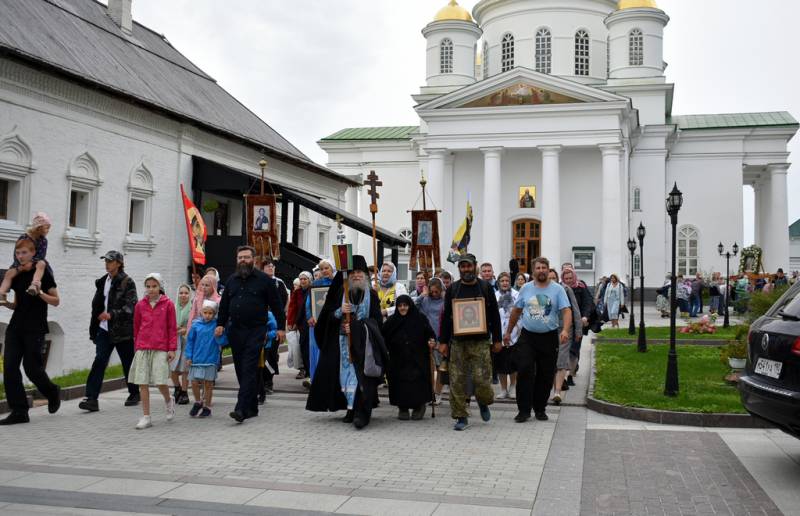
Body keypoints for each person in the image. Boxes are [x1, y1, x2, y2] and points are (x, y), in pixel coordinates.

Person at [306, 255, 387, 430]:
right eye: (353, 272)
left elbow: (376, 321)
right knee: (346, 378)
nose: (357, 275)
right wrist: (338, 311)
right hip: (341, 343)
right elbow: (326, 315)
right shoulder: (339, 292)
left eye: (360, 272)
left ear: (365, 275)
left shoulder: (371, 295)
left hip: (364, 344)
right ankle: (350, 409)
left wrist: (357, 327)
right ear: (348, 275)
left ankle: (361, 412)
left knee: (362, 377)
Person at [216, 246, 286, 423]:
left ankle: (241, 409)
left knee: (248, 367)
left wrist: (280, 328)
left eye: (246, 257)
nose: (243, 260)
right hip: (235, 330)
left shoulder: (264, 280)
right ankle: (252, 405)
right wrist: (220, 324)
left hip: (256, 331)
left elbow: (277, 306)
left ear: (253, 260)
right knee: (241, 368)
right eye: (240, 257)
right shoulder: (232, 280)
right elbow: (224, 306)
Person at [0, 238, 61, 425]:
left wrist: (40, 293)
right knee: (9, 367)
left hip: (35, 327)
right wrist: (7, 303)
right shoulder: (16, 274)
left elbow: (56, 300)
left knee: (32, 368)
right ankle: (19, 411)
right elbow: (18, 303)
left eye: (24, 253)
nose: (20, 256)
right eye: (18, 253)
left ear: (33, 253)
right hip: (16, 326)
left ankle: (52, 391)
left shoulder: (43, 273)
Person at [504, 257, 571, 423]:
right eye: (538, 268)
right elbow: (516, 311)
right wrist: (508, 332)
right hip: (528, 337)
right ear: (533, 271)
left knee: (545, 374)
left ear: (548, 270)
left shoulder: (557, 290)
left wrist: (564, 330)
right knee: (525, 369)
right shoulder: (526, 289)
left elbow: (566, 311)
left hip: (549, 337)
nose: (541, 270)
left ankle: (540, 408)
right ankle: (524, 410)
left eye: (544, 268)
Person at [439, 253, 502, 431]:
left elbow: (495, 315)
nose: (466, 269)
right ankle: (460, 416)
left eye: (469, 266)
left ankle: (483, 401)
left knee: (482, 379)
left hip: (481, 341)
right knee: (457, 380)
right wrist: (443, 341)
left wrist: (497, 339)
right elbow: (447, 318)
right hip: (458, 342)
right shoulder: (453, 289)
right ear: (459, 268)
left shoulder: (485, 287)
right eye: (462, 266)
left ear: (475, 266)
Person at [81, 250, 139, 412]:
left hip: (122, 332)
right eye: (105, 261)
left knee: (128, 362)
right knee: (99, 361)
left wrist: (112, 314)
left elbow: (131, 306)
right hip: (104, 330)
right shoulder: (102, 282)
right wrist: (94, 330)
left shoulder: (127, 282)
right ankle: (91, 399)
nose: (107, 263)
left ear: (118, 263)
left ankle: (134, 393)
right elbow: (96, 308)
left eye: (110, 261)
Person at [130, 273, 177, 430]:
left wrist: (172, 348)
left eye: (154, 286)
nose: (151, 290)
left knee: (160, 380)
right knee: (142, 382)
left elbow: (172, 327)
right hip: (143, 347)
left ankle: (168, 399)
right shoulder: (140, 305)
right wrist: (137, 346)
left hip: (160, 347)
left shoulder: (168, 304)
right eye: (148, 286)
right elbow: (136, 327)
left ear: (160, 287)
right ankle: (146, 417)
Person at [383, 295, 436, 420]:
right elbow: (383, 335)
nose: (402, 308)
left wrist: (431, 341)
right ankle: (403, 408)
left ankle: (419, 406)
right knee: (400, 383)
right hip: (398, 359)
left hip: (417, 357)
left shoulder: (420, 318)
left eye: (405, 305)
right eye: (400, 306)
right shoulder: (392, 321)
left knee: (417, 383)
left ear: (410, 306)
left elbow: (430, 334)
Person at [185, 300, 227, 417]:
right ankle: (198, 402)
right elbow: (190, 341)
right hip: (196, 358)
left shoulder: (217, 326)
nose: (207, 315)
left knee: (208, 384)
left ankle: (207, 407)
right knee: (193, 382)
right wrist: (189, 356)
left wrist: (218, 336)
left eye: (210, 313)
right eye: (205, 312)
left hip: (210, 359)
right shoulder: (195, 325)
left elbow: (223, 341)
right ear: (201, 312)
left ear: (214, 314)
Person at [0, 212, 51, 303]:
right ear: (39, 228)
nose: (48, 230)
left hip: (35, 262)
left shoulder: (43, 241)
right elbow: (17, 252)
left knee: (42, 264)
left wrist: (31, 263)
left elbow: (41, 255)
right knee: (9, 274)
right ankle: (1, 294)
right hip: (20, 263)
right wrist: (19, 265)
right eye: (46, 228)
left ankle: (34, 285)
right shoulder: (24, 237)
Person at [548, 269, 582, 405]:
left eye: (553, 278)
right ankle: (552, 388)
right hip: (548, 330)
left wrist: (578, 330)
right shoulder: (542, 290)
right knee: (550, 361)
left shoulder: (566, 290)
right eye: (549, 278)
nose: (552, 280)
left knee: (561, 360)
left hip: (565, 330)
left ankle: (557, 392)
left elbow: (575, 310)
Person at [305, 259, 336, 386]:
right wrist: (309, 316)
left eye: (326, 268)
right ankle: (316, 380)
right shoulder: (315, 284)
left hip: (333, 323)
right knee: (316, 349)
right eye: (321, 269)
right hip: (316, 324)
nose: (324, 271)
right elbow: (308, 304)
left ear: (332, 268)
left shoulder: (338, 283)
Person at [416, 277, 446, 404]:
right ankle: (428, 392)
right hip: (425, 337)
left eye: (436, 292)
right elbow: (413, 307)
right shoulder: (425, 300)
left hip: (439, 337)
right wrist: (422, 295)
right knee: (428, 366)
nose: (434, 294)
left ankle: (438, 393)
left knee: (440, 367)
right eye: (432, 292)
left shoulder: (445, 301)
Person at [561, 266, 592, 386]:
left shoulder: (581, 287)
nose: (568, 280)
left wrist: (585, 316)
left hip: (578, 322)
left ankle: (570, 375)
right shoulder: (560, 288)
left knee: (574, 350)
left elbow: (587, 302)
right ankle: (564, 375)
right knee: (564, 350)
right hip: (564, 323)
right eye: (566, 278)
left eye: (570, 278)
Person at [495, 272, 519, 400]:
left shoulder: (516, 295)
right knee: (501, 363)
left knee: (513, 362)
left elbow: (519, 313)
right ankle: (503, 389)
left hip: (514, 332)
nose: (504, 283)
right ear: (498, 282)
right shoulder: (495, 296)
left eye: (507, 281)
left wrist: (512, 331)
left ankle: (513, 386)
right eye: (502, 281)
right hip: (499, 333)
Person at [170, 284, 192, 405]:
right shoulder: (173, 307)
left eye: (186, 293)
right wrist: (175, 328)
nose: (183, 295)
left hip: (187, 341)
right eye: (181, 293)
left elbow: (194, 323)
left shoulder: (192, 308)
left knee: (184, 369)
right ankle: (177, 388)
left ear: (190, 295)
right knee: (172, 368)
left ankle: (184, 393)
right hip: (175, 341)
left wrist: (185, 329)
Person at [287, 271, 312, 379]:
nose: (302, 281)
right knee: (303, 347)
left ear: (309, 280)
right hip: (301, 324)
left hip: (311, 324)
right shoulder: (297, 292)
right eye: (301, 279)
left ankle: (311, 371)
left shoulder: (313, 290)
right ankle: (306, 369)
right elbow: (292, 308)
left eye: (305, 279)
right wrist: (291, 322)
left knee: (310, 348)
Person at [258, 310, 279, 402]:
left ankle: (268, 383)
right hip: (252, 344)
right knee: (257, 368)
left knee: (266, 364)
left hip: (265, 346)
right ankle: (258, 388)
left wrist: (267, 335)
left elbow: (274, 330)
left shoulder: (268, 314)